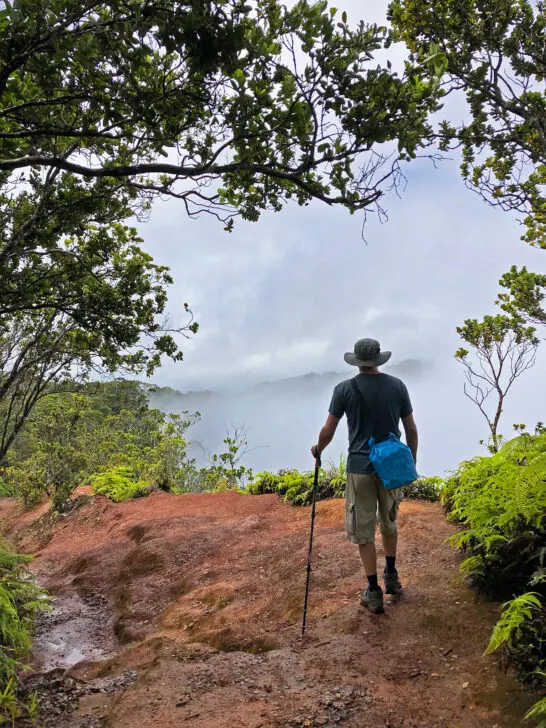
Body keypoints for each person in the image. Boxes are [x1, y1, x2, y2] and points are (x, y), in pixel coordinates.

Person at [311, 338, 418, 615]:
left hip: (360, 468)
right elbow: (411, 429)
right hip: (391, 467)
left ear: (357, 361)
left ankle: (373, 592)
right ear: (379, 359)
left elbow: (328, 430)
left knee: (364, 530)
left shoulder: (344, 389)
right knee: (389, 522)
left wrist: (318, 449)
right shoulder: (398, 386)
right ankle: (392, 576)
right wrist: (410, 463)